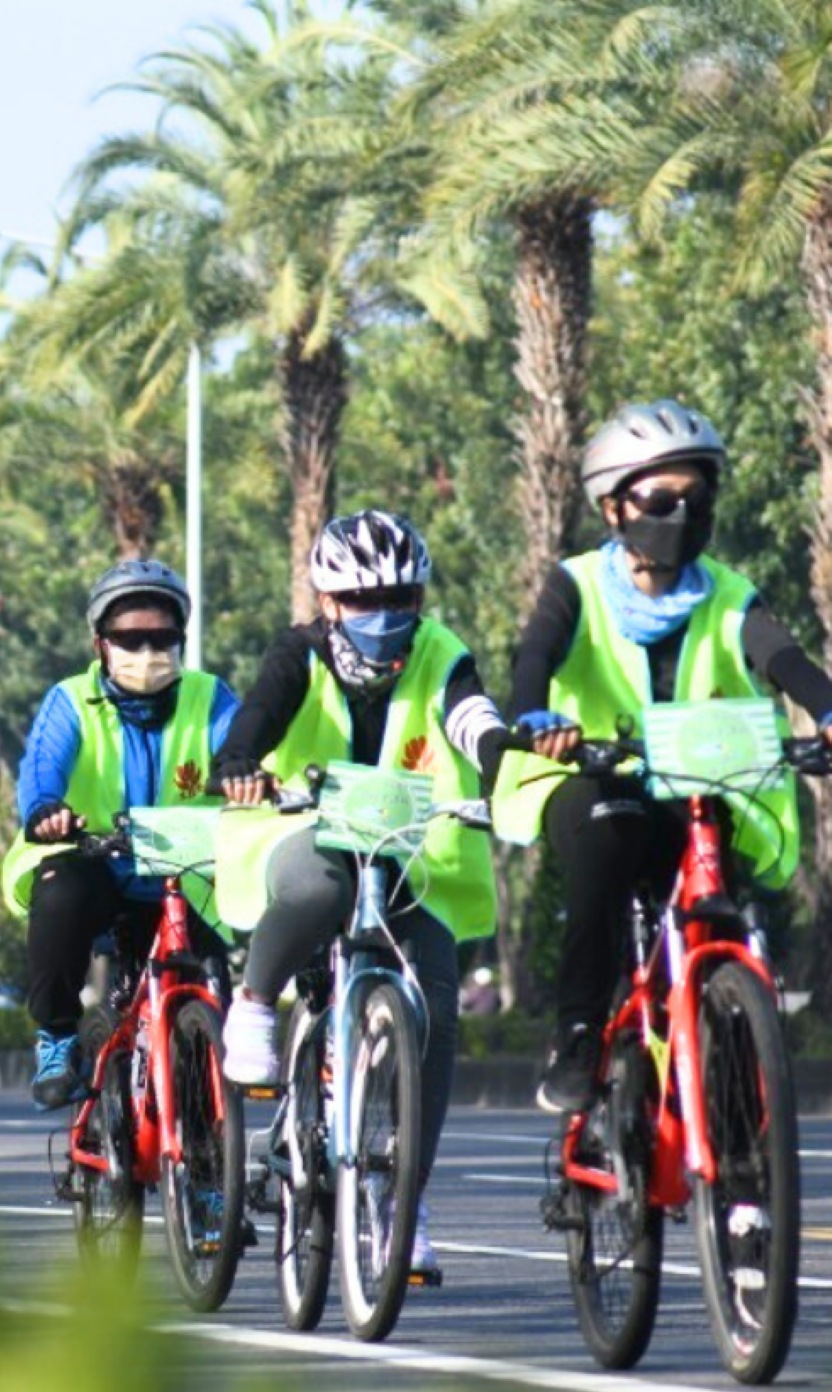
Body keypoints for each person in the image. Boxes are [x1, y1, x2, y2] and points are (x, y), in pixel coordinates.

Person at [493, 400, 832, 1113]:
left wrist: (827, 708)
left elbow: (782, 656)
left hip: (700, 787)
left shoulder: (730, 594)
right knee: (606, 834)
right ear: (613, 507)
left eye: (696, 498)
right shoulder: (577, 583)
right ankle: (578, 1034)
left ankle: (738, 1092)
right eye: (658, 499)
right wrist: (533, 715)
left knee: (730, 902)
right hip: (594, 778)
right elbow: (536, 654)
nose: (680, 515)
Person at [213, 510, 509, 1278]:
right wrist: (239, 760)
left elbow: (471, 715)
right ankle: (255, 1003)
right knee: (323, 886)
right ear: (328, 601)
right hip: (302, 833)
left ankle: (403, 1197)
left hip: (407, 853)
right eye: (363, 599)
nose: (384, 615)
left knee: (435, 1005)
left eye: (400, 599)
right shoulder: (298, 653)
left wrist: (499, 760)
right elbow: (256, 717)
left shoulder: (440, 652)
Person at [3, 559, 240, 1110]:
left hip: (182, 877)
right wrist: (44, 809)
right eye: (130, 639)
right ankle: (57, 1037)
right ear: (100, 644)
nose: (148, 651)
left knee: (213, 990)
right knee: (62, 895)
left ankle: (206, 1142)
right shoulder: (69, 701)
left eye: (163, 638)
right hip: (92, 863)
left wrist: (249, 777)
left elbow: (241, 750)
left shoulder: (210, 697)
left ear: (182, 640)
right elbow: (41, 767)